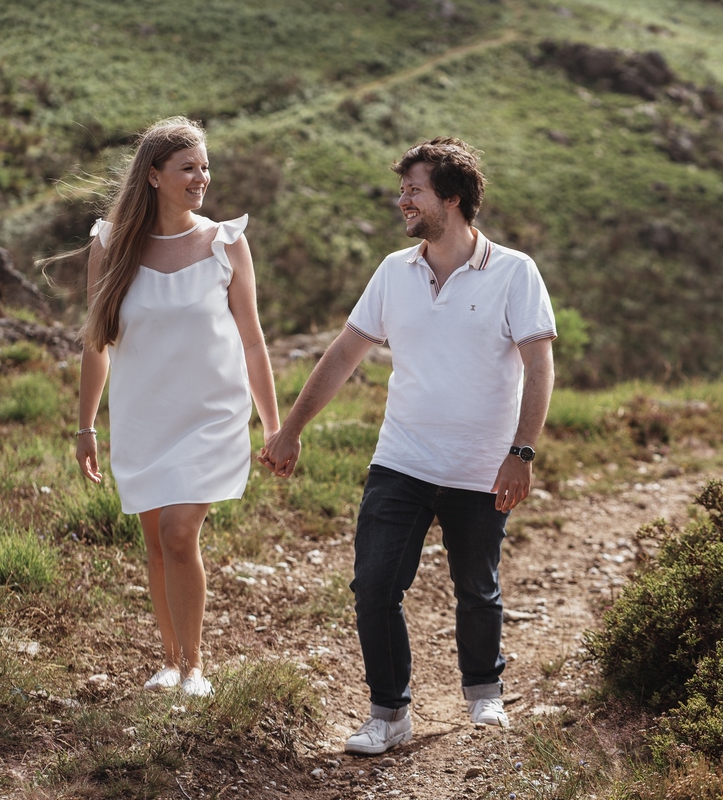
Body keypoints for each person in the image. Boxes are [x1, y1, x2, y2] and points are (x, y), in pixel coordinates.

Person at [259, 137, 556, 754]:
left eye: (413, 190)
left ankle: (484, 696)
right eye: (403, 191)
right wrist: (291, 428)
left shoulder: (514, 272)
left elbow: (539, 365)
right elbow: (345, 352)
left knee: (477, 585)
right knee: (374, 585)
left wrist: (522, 452)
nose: (402, 201)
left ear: (452, 197)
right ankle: (389, 714)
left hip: (482, 466)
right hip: (403, 459)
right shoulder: (395, 271)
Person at [73, 117, 280, 698]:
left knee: (178, 530)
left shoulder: (226, 243)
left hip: (211, 413)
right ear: (155, 176)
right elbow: (96, 343)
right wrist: (86, 425)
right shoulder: (111, 246)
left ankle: (194, 668)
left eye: (204, 166)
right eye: (189, 167)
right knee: (156, 541)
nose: (201, 178)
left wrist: (273, 423)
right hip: (143, 414)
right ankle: (168, 660)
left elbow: (253, 339)